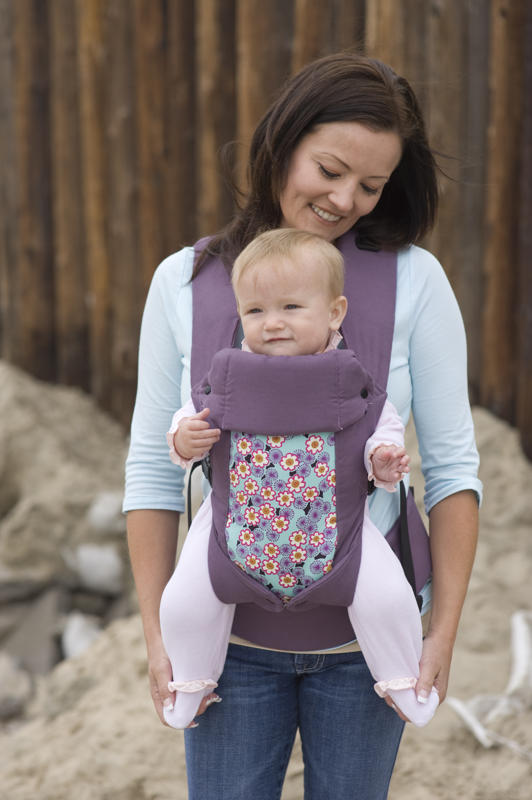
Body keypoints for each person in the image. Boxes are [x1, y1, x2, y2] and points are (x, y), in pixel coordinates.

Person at [124, 52, 482, 800]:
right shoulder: (182, 282)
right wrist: (160, 637)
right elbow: (153, 474)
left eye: (371, 186)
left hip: (365, 651)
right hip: (227, 649)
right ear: (282, 144)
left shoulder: (415, 280)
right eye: (330, 169)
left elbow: (453, 471)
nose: (345, 199)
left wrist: (442, 632)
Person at [160, 228, 439, 731]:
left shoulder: (348, 377)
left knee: (387, 596)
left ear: (334, 312)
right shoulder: (229, 374)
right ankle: (191, 685)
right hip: (230, 528)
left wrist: (382, 460)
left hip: (342, 534)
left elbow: (380, 425)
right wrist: (185, 439)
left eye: (290, 307)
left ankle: (402, 680)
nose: (272, 323)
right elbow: (189, 415)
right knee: (183, 601)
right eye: (255, 310)